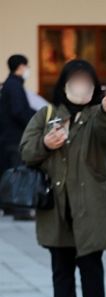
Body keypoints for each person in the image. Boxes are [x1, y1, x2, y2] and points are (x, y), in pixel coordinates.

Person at [19, 59, 106, 297]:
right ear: (64, 85)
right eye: (74, 81)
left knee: (92, 269)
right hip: (57, 207)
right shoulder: (47, 114)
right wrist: (44, 145)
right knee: (61, 271)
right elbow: (26, 152)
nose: (80, 86)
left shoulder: (99, 114)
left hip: (90, 206)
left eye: (85, 81)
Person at [0, 54, 36, 219]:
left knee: (10, 171)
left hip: (8, 135)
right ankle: (20, 209)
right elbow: (18, 111)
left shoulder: (10, 84)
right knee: (19, 171)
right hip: (15, 136)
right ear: (21, 66)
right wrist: (33, 122)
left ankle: (9, 206)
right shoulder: (14, 86)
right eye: (27, 66)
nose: (28, 70)